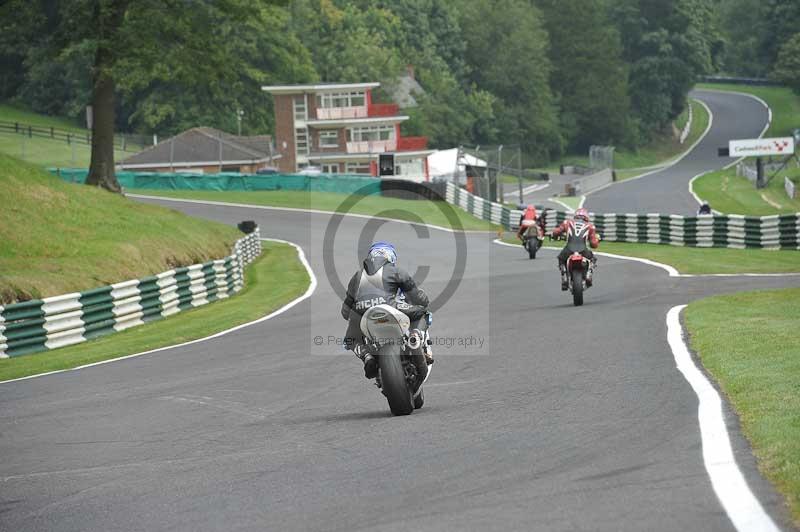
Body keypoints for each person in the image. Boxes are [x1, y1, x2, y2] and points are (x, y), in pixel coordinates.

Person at [341, 241, 432, 378]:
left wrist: (356, 314)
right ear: (391, 257)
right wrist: (424, 300)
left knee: (350, 339)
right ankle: (415, 337)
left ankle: (367, 357)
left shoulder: (356, 276)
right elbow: (417, 298)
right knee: (422, 314)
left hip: (362, 314)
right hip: (390, 306)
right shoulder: (395, 271)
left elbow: (345, 311)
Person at [550, 208, 600, 290]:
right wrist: (597, 241)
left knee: (561, 259)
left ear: (576, 216)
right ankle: (589, 275)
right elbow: (594, 244)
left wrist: (554, 236)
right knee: (592, 259)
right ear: (586, 217)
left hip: (569, 249)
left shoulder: (567, 222)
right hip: (583, 250)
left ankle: (564, 278)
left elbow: (556, 232)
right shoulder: (591, 227)